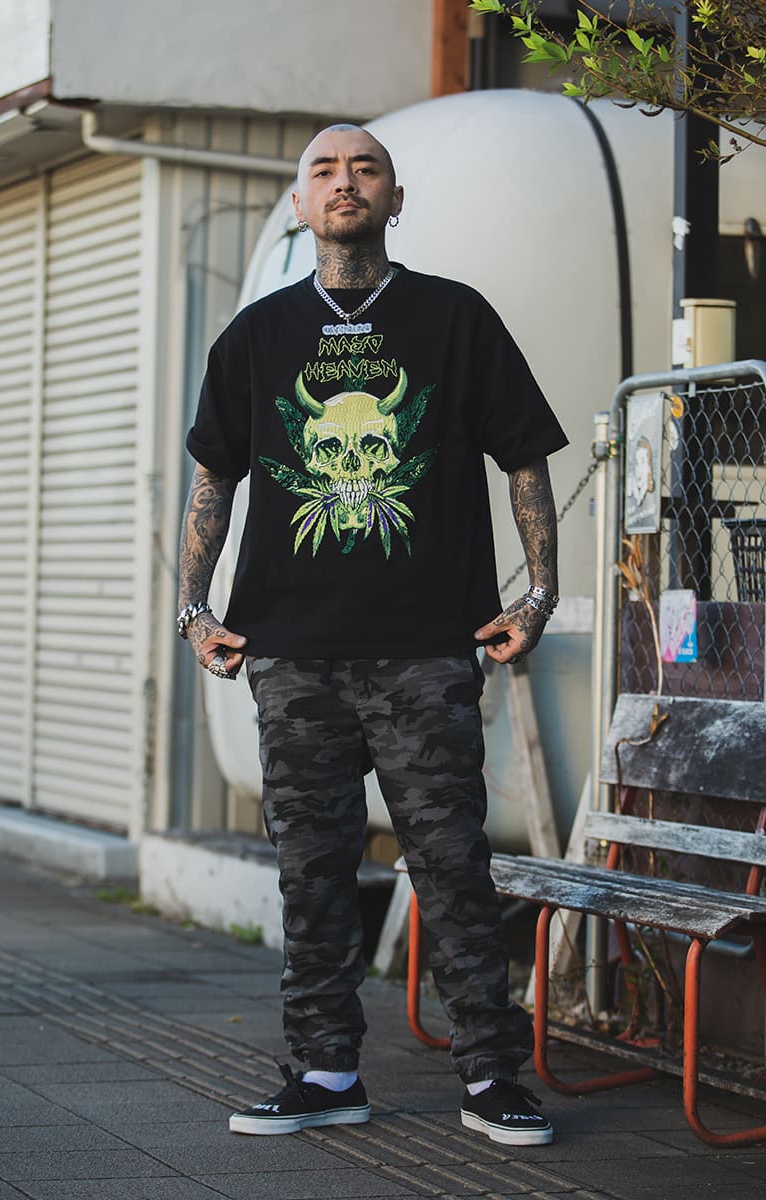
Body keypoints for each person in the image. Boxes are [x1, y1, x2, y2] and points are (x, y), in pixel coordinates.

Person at [177, 124, 567, 1147]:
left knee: (451, 864)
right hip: (289, 652)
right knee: (312, 874)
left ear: (395, 199)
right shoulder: (256, 335)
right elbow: (214, 478)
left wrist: (538, 595)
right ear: (300, 205)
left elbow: (524, 456)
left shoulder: (454, 318)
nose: (344, 182)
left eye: (365, 169)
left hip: (425, 647)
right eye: (324, 170)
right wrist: (193, 608)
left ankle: (492, 1077)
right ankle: (324, 1071)